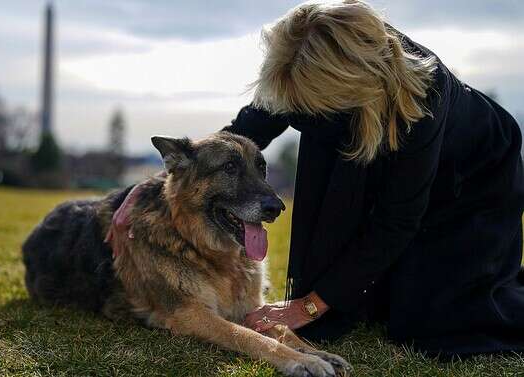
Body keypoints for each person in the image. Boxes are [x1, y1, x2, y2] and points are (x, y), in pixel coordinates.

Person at [224, 0, 524, 357]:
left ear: (346, 89)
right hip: (399, 154)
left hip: (475, 173)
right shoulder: (296, 57)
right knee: (375, 300)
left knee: (436, 323)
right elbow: (245, 131)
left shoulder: (422, 98)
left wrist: (308, 306)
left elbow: (395, 220)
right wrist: (172, 178)